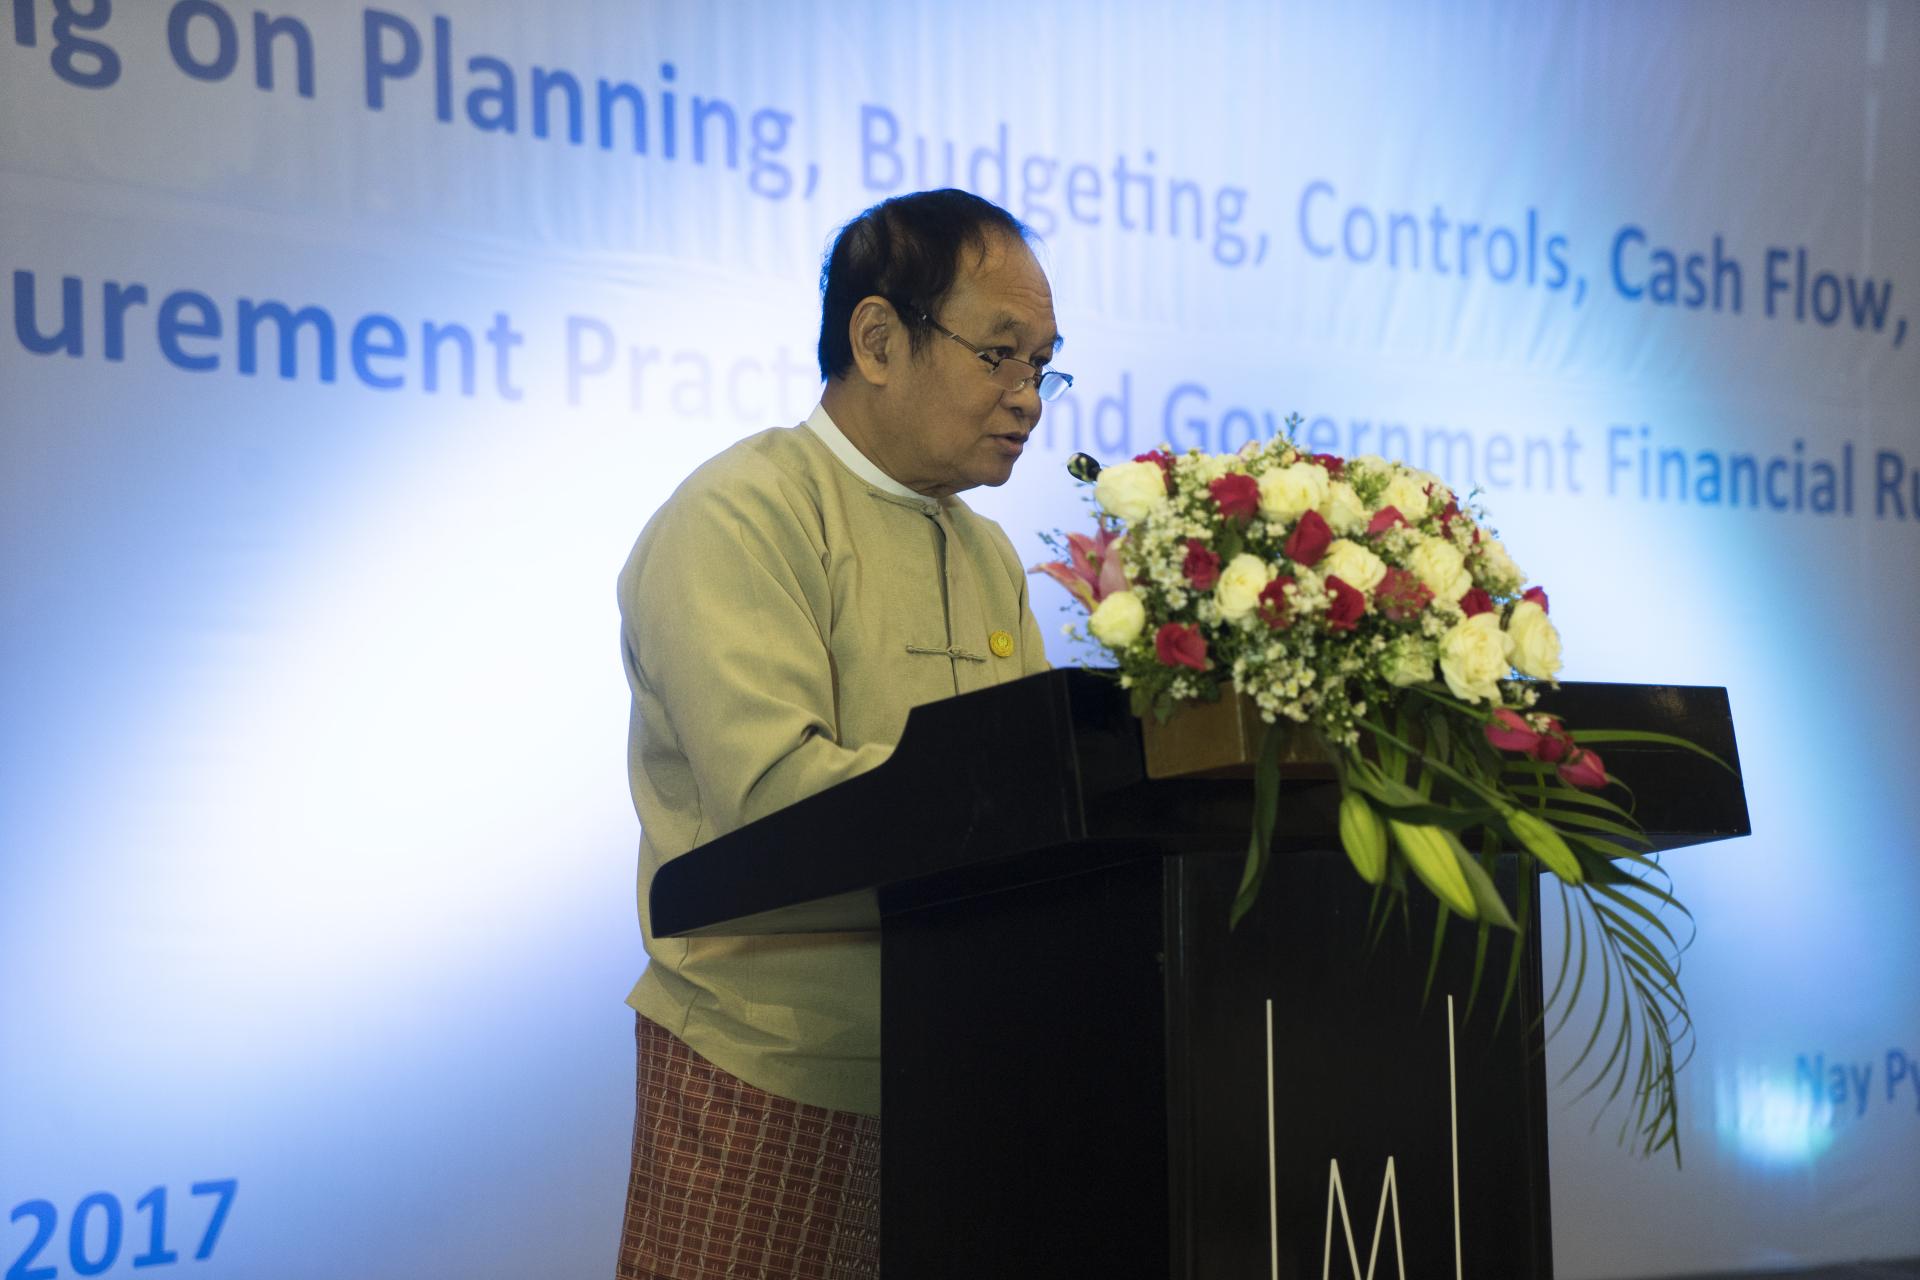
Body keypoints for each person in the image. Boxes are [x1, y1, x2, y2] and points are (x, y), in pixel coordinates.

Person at [613, 189, 1069, 1280]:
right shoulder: (741, 513)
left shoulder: (990, 549)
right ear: (877, 338)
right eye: (999, 354)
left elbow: (1051, 791)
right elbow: (779, 800)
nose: (1028, 399)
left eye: (1042, 365)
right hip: (771, 1072)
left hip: (958, 1074)